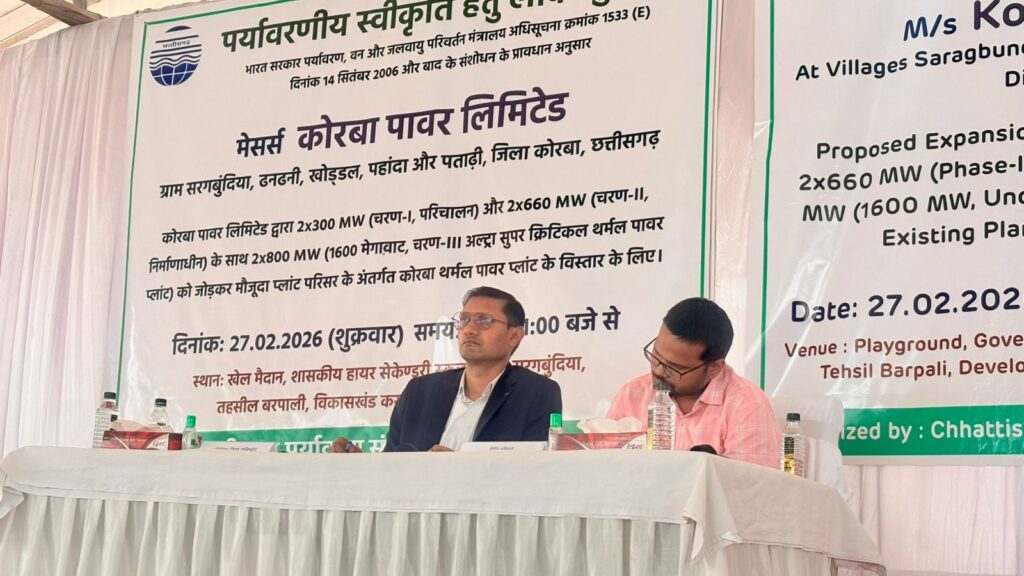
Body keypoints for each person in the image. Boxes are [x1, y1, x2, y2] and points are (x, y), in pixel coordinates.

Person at [331, 286, 562, 453]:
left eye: (483, 321)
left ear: (514, 335)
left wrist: (456, 472)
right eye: (464, 319)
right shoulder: (420, 391)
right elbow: (392, 467)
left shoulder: (537, 393)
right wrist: (361, 466)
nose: (469, 329)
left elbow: (533, 473)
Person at [606, 297, 780, 467]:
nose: (658, 371)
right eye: (656, 356)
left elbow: (750, 483)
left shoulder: (747, 406)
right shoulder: (631, 395)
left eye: (673, 368)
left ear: (714, 368)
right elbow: (606, 468)